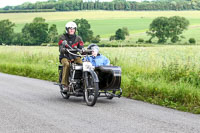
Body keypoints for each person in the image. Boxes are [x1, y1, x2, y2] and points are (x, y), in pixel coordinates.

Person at [58, 21, 84, 91]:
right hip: (64, 56)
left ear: (75, 29)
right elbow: (60, 48)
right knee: (66, 64)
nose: (72, 30)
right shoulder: (62, 37)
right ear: (67, 29)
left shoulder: (78, 38)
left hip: (75, 56)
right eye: (70, 28)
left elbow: (81, 46)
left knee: (83, 65)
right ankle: (64, 84)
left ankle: (84, 82)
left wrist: (82, 50)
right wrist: (63, 48)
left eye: (73, 28)